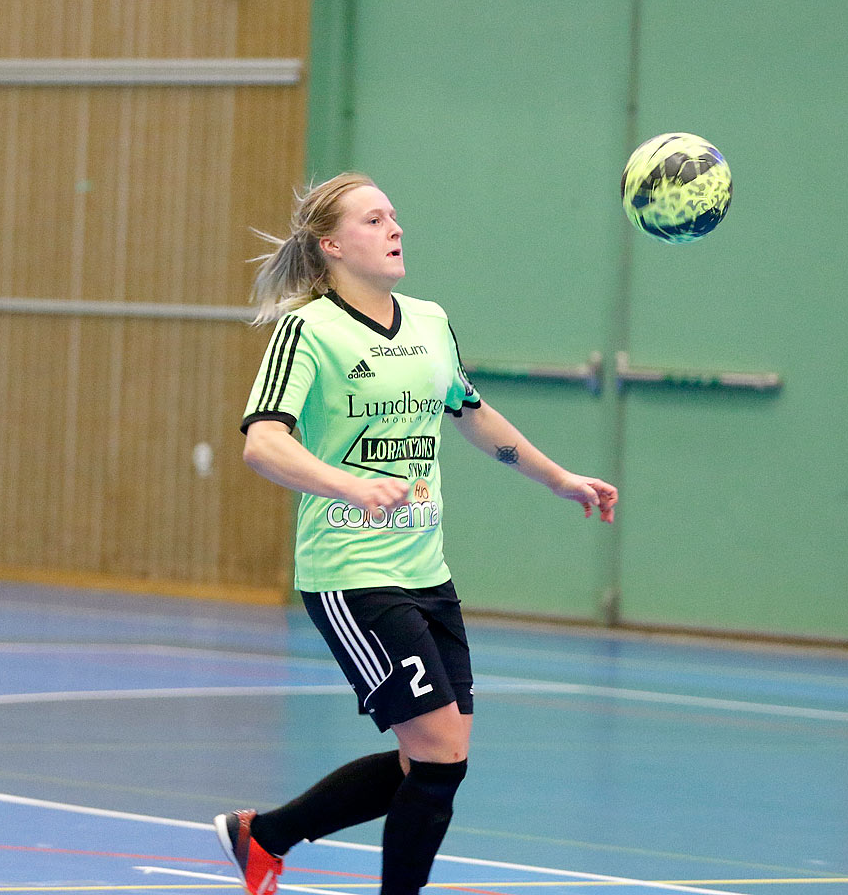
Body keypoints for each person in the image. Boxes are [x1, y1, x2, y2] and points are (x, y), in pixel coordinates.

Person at [216, 171, 618, 895]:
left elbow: (470, 411)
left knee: (438, 759)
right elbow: (263, 443)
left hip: (424, 567)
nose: (395, 228)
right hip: (351, 570)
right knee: (435, 750)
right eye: (374, 220)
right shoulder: (308, 329)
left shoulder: (429, 320)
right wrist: (350, 484)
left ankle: (263, 836)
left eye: (394, 215)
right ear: (332, 244)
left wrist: (559, 478)